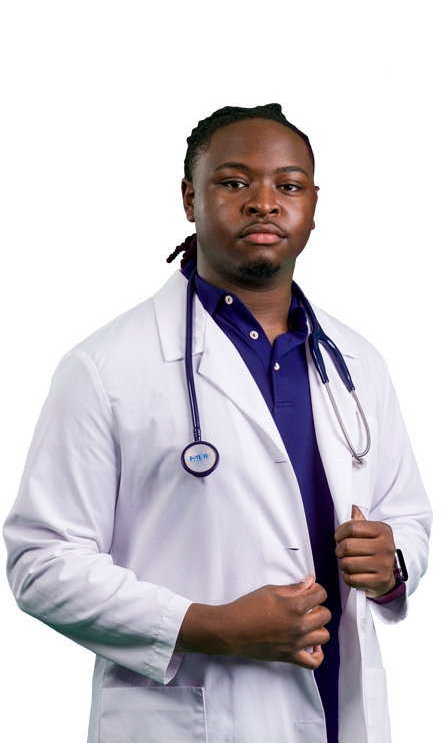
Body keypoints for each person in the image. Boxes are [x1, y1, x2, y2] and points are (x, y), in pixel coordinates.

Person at [2, 102, 432, 743]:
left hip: (342, 709)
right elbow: (40, 563)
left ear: (314, 204)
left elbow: (409, 514)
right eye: (235, 182)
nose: (264, 202)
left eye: (288, 186)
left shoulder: (359, 361)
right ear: (188, 197)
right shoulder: (103, 365)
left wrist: (393, 561)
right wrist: (208, 625)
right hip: (191, 720)